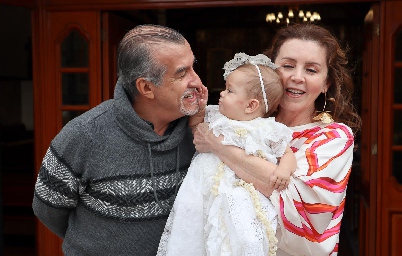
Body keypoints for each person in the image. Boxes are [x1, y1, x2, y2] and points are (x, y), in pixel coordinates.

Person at [32, 24, 207, 255]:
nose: (196, 80)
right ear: (146, 87)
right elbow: (48, 208)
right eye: (181, 73)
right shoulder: (85, 135)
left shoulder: (202, 129)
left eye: (193, 67)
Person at [193, 23, 361, 256]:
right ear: (270, 72)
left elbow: (298, 205)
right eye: (288, 65)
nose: (297, 77)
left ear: (326, 84)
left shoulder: (333, 137)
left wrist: (219, 146)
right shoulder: (242, 121)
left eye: (311, 70)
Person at [157, 53, 297, 256]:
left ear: (251, 105)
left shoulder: (267, 129)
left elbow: (287, 153)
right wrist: (199, 111)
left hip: (240, 195)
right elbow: (197, 130)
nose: (222, 94)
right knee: (193, 232)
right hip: (201, 189)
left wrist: (284, 170)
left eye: (230, 91)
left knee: (240, 235)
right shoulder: (216, 117)